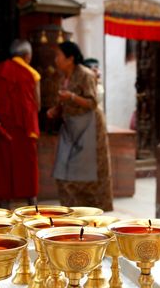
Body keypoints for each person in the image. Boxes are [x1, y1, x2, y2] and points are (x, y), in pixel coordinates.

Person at [47, 41, 113, 211]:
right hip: (72, 127)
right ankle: (71, 212)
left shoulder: (86, 74)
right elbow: (64, 100)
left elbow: (92, 103)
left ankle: (90, 213)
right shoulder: (63, 76)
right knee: (64, 173)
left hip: (89, 127)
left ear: (70, 58)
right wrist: (56, 109)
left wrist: (71, 97)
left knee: (88, 175)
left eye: (58, 56)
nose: (56, 60)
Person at [0, 39, 41, 208]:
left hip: (2, 127)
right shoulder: (32, 74)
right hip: (25, 128)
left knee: (3, 163)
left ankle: (4, 201)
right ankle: (31, 200)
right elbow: (37, 103)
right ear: (27, 56)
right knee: (27, 164)